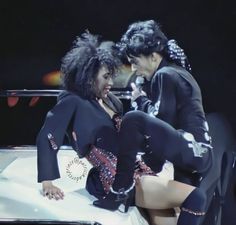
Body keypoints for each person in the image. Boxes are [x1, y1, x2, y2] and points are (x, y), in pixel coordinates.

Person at [93, 20, 215, 225]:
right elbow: (164, 126)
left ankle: (118, 191)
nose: (133, 67)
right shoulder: (176, 72)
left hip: (192, 148)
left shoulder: (165, 75)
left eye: (135, 61)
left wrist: (140, 101)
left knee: (132, 119)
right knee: (168, 213)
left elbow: (159, 120)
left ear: (153, 56)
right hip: (195, 153)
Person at [37, 32, 124, 200]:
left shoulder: (114, 102)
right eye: (106, 77)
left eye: (111, 77)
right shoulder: (73, 100)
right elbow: (48, 135)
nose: (111, 83)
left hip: (133, 169)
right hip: (109, 179)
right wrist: (47, 183)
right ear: (90, 76)